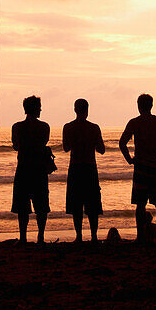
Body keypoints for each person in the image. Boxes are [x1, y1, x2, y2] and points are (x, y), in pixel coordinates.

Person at [119, 93, 156, 242]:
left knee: (140, 205)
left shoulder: (134, 123)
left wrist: (129, 159)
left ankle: (141, 236)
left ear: (139, 106)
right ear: (151, 105)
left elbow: (122, 143)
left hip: (141, 168)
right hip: (155, 168)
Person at [62, 98, 105, 242]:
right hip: (90, 167)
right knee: (92, 205)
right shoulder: (94, 128)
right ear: (87, 110)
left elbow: (66, 147)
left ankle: (79, 236)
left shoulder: (68, 127)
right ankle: (93, 236)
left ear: (75, 110)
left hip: (75, 167)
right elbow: (101, 149)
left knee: (76, 204)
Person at [11, 95, 51, 243]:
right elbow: (43, 142)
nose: (40, 109)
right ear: (36, 109)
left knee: (22, 207)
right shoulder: (44, 127)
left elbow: (16, 146)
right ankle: (40, 236)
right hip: (39, 169)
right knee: (41, 205)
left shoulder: (17, 127)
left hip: (23, 169)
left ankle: (23, 237)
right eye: (39, 107)